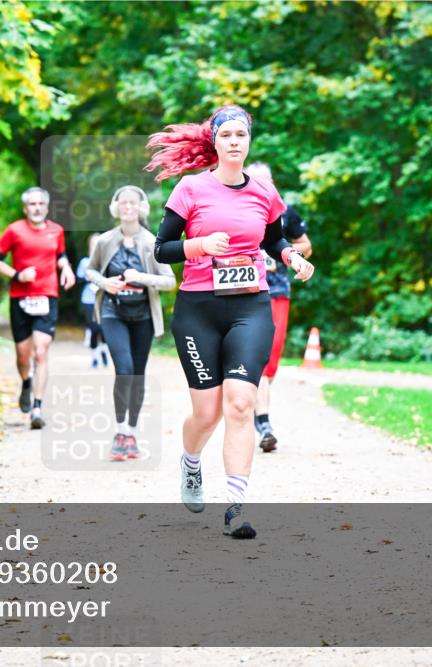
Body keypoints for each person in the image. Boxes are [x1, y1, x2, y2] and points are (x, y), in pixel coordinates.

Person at [146, 105, 315, 538]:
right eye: (227, 135)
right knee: (206, 413)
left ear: (249, 140)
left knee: (240, 404)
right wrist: (199, 245)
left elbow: (275, 237)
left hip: (250, 306)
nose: (235, 141)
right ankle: (190, 461)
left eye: (242, 134)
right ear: (215, 142)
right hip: (198, 309)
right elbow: (162, 248)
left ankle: (235, 507)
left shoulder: (263, 192)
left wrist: (291, 256)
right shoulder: (190, 189)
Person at [85, 186, 177, 461]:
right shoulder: (105, 241)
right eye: (123, 203)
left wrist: (140, 277)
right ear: (116, 207)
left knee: (137, 374)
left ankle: (132, 433)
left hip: (143, 317)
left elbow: (169, 281)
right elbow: (90, 270)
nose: (128, 207)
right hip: (114, 312)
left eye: (133, 203)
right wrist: (104, 282)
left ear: (141, 208)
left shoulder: (151, 242)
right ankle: (119, 430)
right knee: (123, 369)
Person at [0, 186, 76, 429]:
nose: (36, 208)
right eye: (32, 204)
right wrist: (17, 275)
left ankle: (37, 408)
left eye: (41, 204)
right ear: (25, 208)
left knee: (41, 352)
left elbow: (60, 255)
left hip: (47, 296)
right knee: (23, 356)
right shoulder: (14, 230)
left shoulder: (56, 231)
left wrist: (66, 268)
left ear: (46, 207)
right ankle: (26, 382)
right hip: (20, 298)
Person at [243, 162, 313, 453]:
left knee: (269, 365)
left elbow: (305, 244)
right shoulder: (237, 209)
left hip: (277, 292)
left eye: (265, 182)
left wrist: (291, 254)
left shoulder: (285, 212)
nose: (261, 187)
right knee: (255, 362)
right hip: (244, 293)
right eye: (254, 181)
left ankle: (255, 407)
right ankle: (263, 424)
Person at [76, 235, 110, 369]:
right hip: (88, 299)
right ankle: (95, 356)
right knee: (94, 328)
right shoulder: (85, 262)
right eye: (93, 244)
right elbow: (78, 279)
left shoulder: (106, 260)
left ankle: (104, 351)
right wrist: (89, 278)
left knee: (104, 328)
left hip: (104, 298)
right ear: (89, 246)